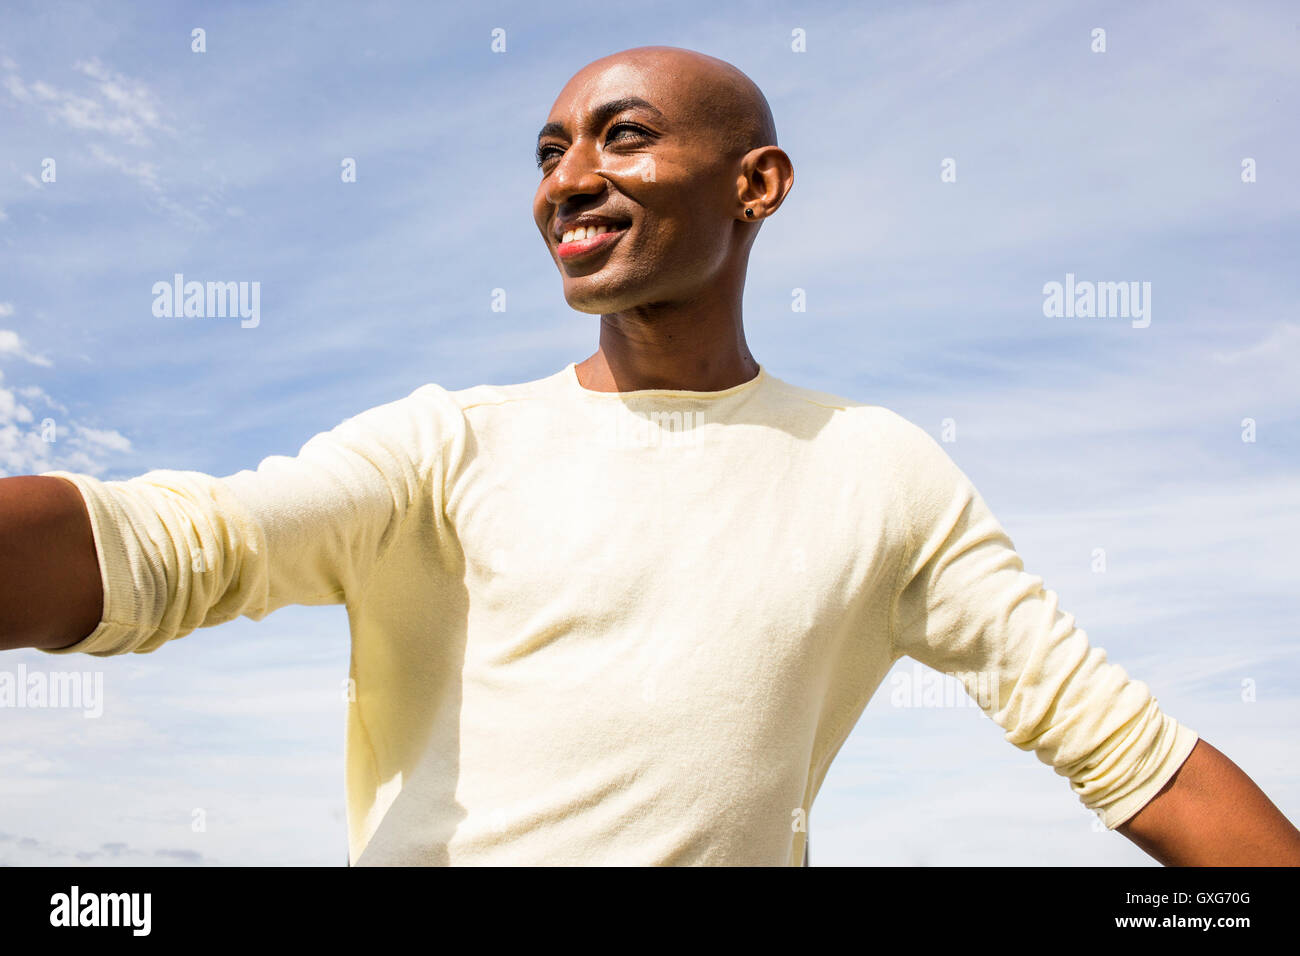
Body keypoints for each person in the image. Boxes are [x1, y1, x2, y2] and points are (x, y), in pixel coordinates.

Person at [2, 46, 1298, 867]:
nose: (565, 180)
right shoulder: (449, 445)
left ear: (759, 184)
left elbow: (1134, 756)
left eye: (621, 136)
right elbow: (183, 548)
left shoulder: (876, 467)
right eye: (550, 152)